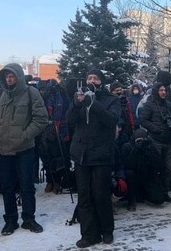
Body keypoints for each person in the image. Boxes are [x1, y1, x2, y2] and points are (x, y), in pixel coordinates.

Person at [0, 63, 48, 236]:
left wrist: (24, 135)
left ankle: (28, 219)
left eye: (12, 76)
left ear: (19, 77)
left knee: (27, 186)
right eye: (7, 76)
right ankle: (10, 220)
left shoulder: (31, 93)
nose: (9, 79)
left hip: (24, 149)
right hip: (3, 148)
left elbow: (41, 119)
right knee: (7, 186)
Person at [66, 68, 120, 248]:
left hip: (101, 154)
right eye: (89, 78)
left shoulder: (111, 100)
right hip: (81, 154)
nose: (92, 81)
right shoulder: (79, 99)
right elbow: (70, 121)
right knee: (84, 196)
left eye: (95, 78)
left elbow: (112, 121)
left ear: (101, 82)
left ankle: (107, 230)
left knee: (100, 194)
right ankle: (89, 234)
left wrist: (94, 104)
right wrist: (76, 103)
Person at [140, 82, 171, 203]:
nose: (163, 92)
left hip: (169, 140)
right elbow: (143, 120)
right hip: (156, 139)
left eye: (164, 90)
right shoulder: (149, 104)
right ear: (156, 91)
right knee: (157, 168)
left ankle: (165, 191)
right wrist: (156, 129)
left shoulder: (169, 104)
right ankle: (155, 192)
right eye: (161, 90)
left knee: (168, 168)